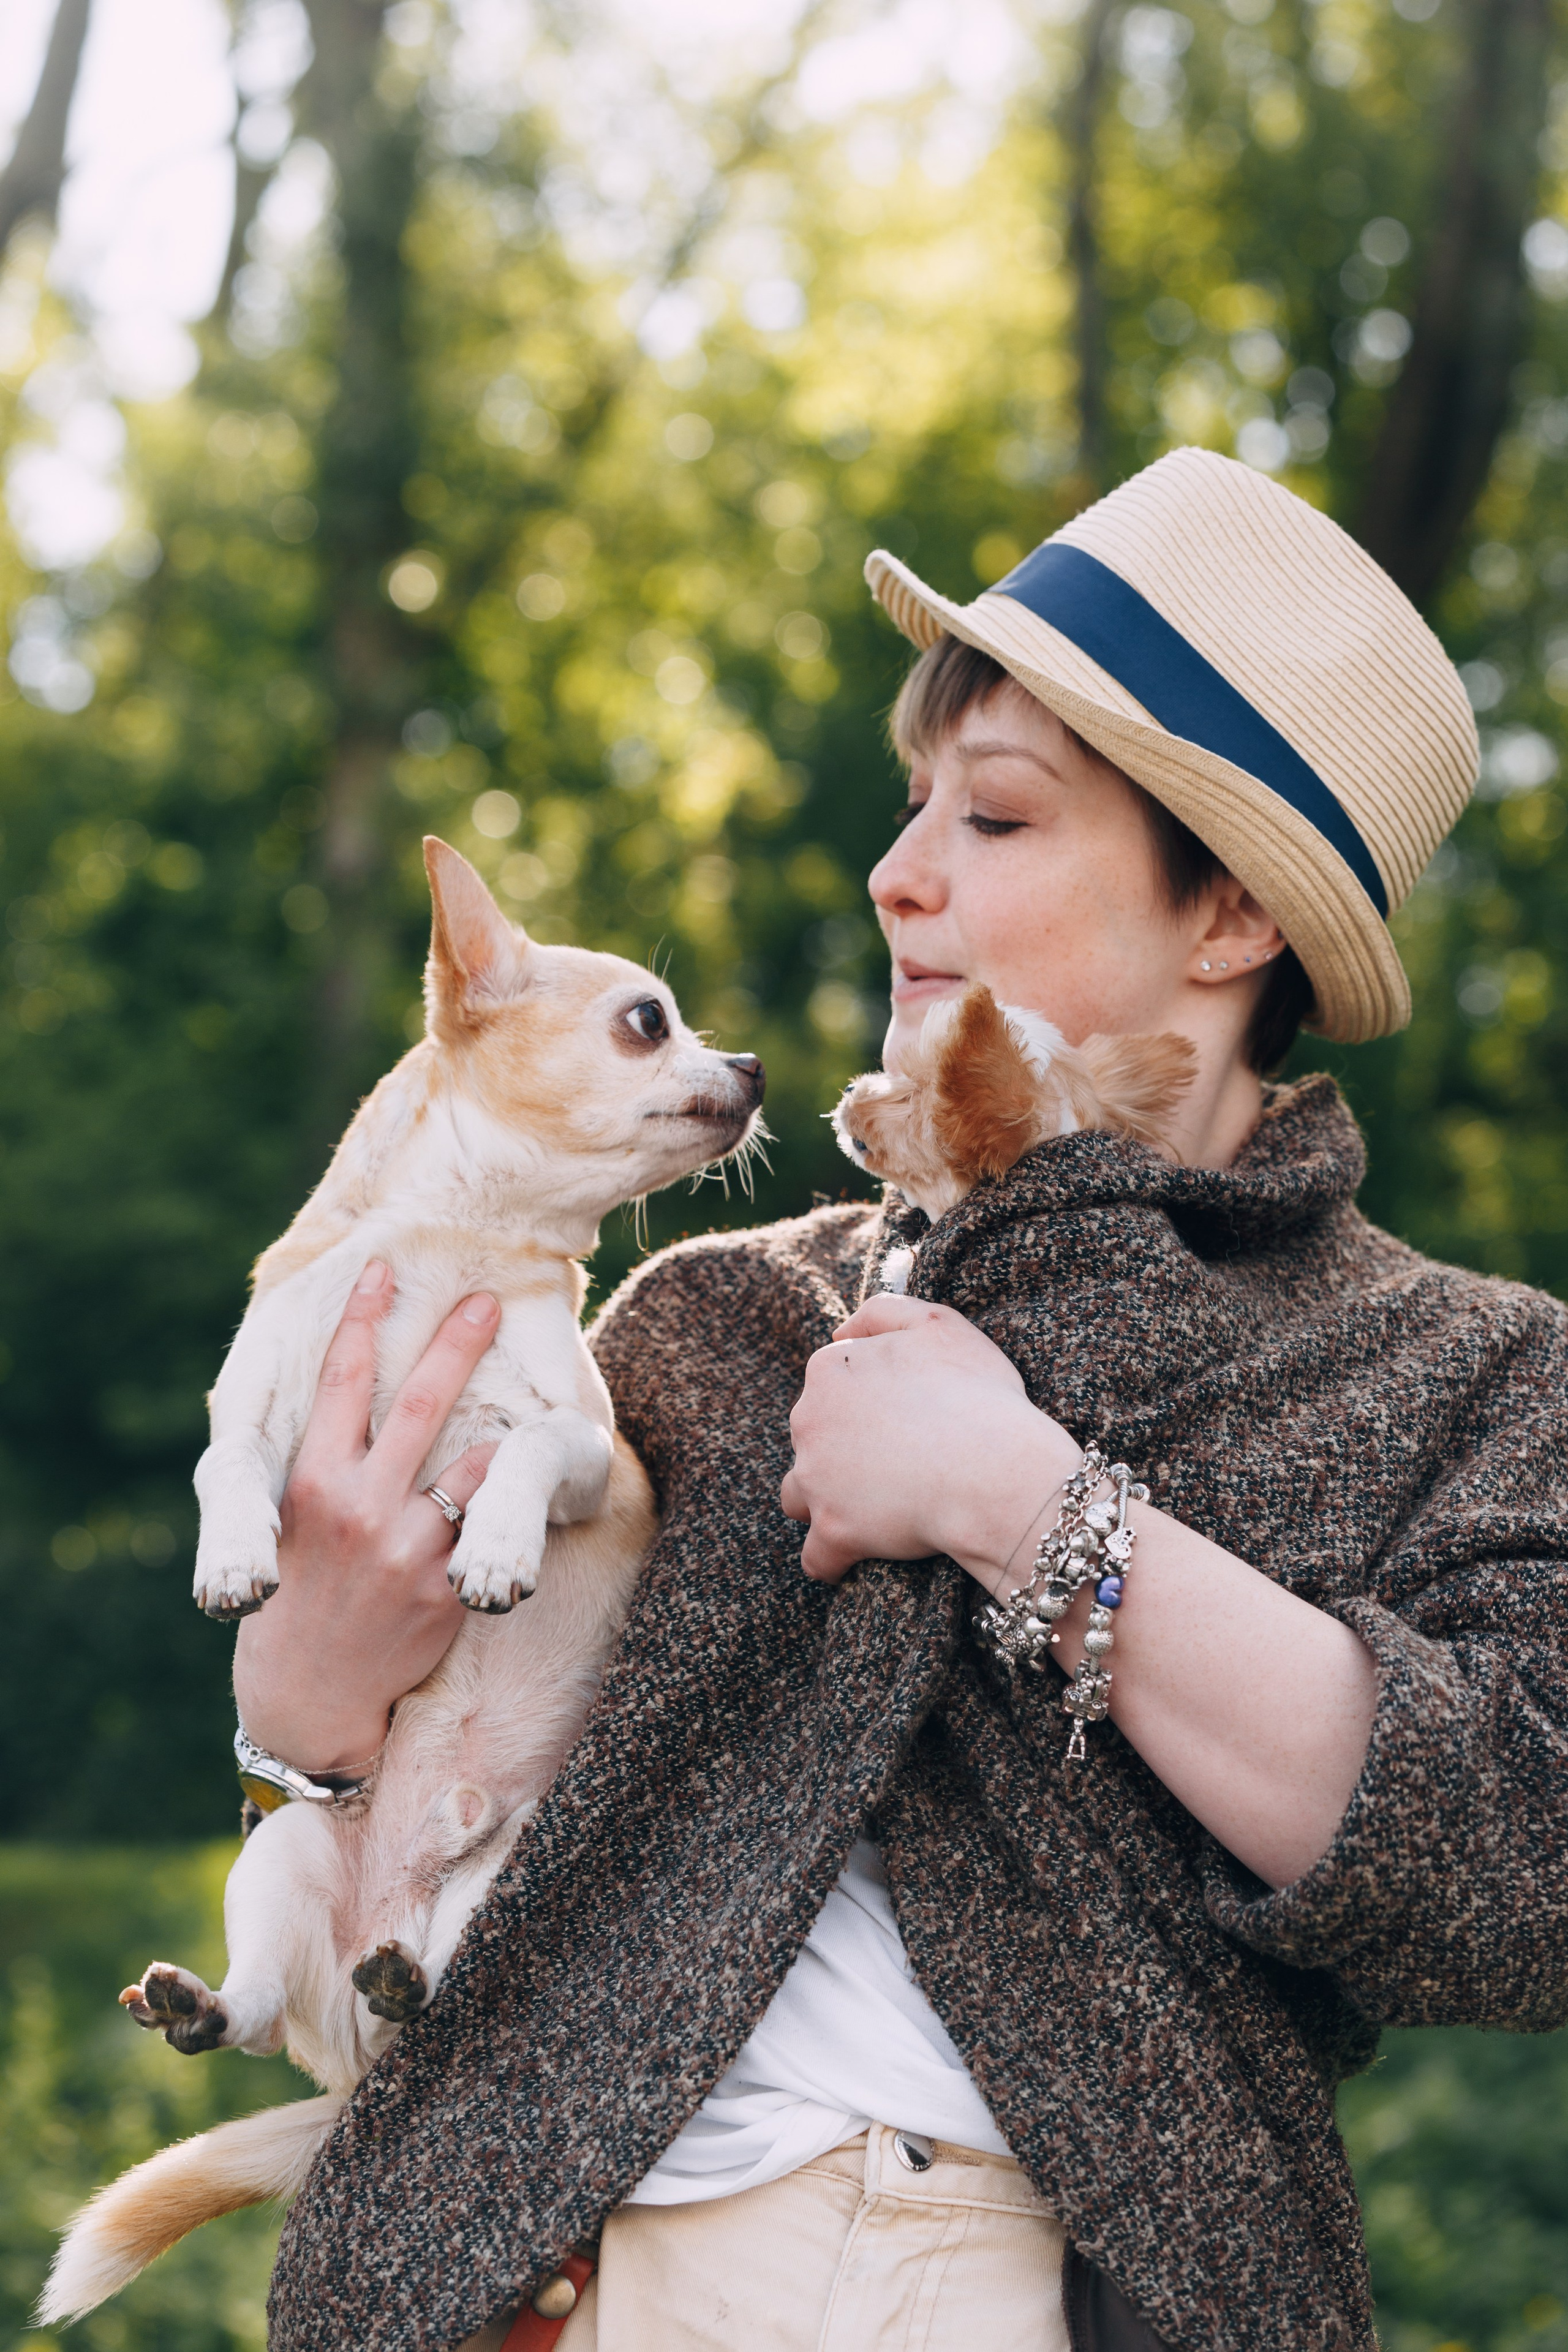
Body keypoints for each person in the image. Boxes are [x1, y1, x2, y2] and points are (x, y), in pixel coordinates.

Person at [243, 448, 1568, 2352]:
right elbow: (434, 1809)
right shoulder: (713, 1317)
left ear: (1234, 920)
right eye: (913, 802)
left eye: (1000, 818)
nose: (896, 871)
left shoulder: (1457, 1366)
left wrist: (1029, 1509)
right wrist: (305, 1704)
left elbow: (1527, 1869)